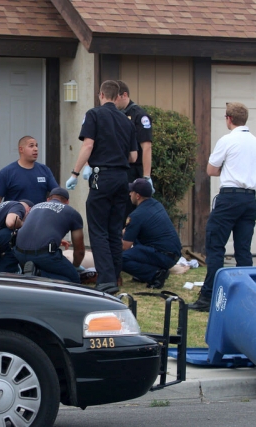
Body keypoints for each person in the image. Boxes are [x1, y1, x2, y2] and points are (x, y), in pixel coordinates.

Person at [189, 102, 256, 312]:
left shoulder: (228, 140)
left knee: (215, 247)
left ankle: (208, 297)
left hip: (230, 197)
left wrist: (229, 170)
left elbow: (211, 169)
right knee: (243, 250)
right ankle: (245, 296)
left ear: (229, 119)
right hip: (250, 200)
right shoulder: (255, 142)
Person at [66, 80, 138, 295]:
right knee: (114, 230)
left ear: (101, 95)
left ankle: (106, 280)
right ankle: (115, 276)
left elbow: (88, 144)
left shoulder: (94, 114)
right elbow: (133, 156)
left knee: (98, 230)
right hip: (121, 177)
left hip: (102, 176)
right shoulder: (127, 121)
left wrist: (76, 172)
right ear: (117, 97)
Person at [14, 187, 85, 283]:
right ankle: (38, 274)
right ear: (67, 202)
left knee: (45, 265)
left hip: (19, 252)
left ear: (48, 199)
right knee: (73, 279)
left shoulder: (34, 207)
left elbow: (32, 230)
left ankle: (28, 272)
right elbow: (79, 250)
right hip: (44, 255)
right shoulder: (71, 212)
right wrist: (76, 266)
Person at [121, 178, 182, 289]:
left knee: (119, 258)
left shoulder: (136, 215)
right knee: (137, 239)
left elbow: (125, 246)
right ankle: (144, 274)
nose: (129, 194)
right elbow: (129, 231)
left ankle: (155, 274)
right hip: (173, 253)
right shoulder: (156, 205)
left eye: (132, 192)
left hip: (162, 254)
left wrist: (108, 244)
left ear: (138, 196)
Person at [116, 80, 154, 218]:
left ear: (124, 95)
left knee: (130, 209)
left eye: (116, 98)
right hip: (119, 169)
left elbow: (146, 147)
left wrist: (146, 176)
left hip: (133, 170)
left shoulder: (139, 115)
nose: (113, 102)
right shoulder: (116, 114)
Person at [0, 136, 59, 207]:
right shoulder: (6, 172)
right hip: (15, 216)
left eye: (36, 146)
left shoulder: (45, 170)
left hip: (39, 216)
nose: (36, 149)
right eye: (31, 146)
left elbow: (57, 194)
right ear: (21, 149)